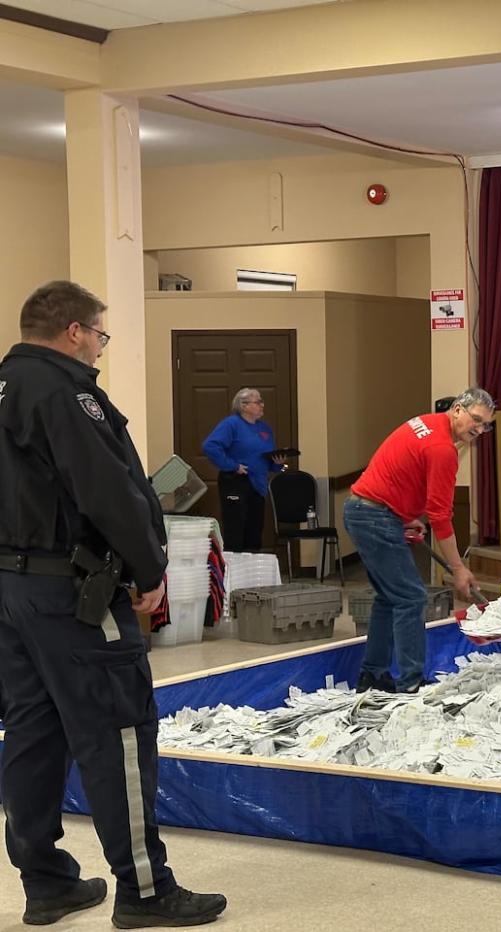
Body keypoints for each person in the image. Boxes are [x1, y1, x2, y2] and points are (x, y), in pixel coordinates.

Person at [0, 281, 227, 927]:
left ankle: (45, 882)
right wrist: (148, 564)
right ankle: (144, 889)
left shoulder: (7, 386)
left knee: (31, 733)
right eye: (100, 334)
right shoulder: (66, 393)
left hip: (12, 592)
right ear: (73, 330)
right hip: (72, 593)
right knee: (120, 734)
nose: (100, 348)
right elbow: (106, 489)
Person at [345, 388, 494, 693]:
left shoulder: (425, 422)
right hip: (374, 515)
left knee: (390, 597)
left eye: (485, 425)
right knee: (411, 597)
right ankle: (412, 682)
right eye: (476, 420)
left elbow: (398, 473)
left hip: (366, 509)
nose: (479, 429)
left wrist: (401, 515)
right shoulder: (442, 449)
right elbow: (440, 516)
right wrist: (458, 568)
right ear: (457, 410)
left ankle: (373, 676)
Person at [202, 388, 286, 552]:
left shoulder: (265, 429)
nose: (262, 405)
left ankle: (252, 573)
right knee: (235, 530)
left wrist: (278, 463)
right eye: (258, 402)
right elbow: (210, 446)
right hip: (236, 482)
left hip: (258, 484)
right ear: (244, 406)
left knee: (254, 532)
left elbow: (266, 459)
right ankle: (234, 574)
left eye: (261, 401)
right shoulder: (231, 424)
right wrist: (233, 466)